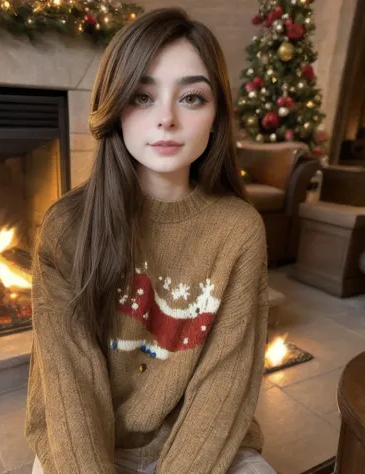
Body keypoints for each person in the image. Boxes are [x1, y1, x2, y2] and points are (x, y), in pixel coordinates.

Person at [25, 7, 275, 474]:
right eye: (142, 96)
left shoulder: (239, 231)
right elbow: (69, 386)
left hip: (200, 442)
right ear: (115, 108)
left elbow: (223, 388)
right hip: (88, 443)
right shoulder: (66, 228)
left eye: (192, 98)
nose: (166, 119)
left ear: (217, 115)